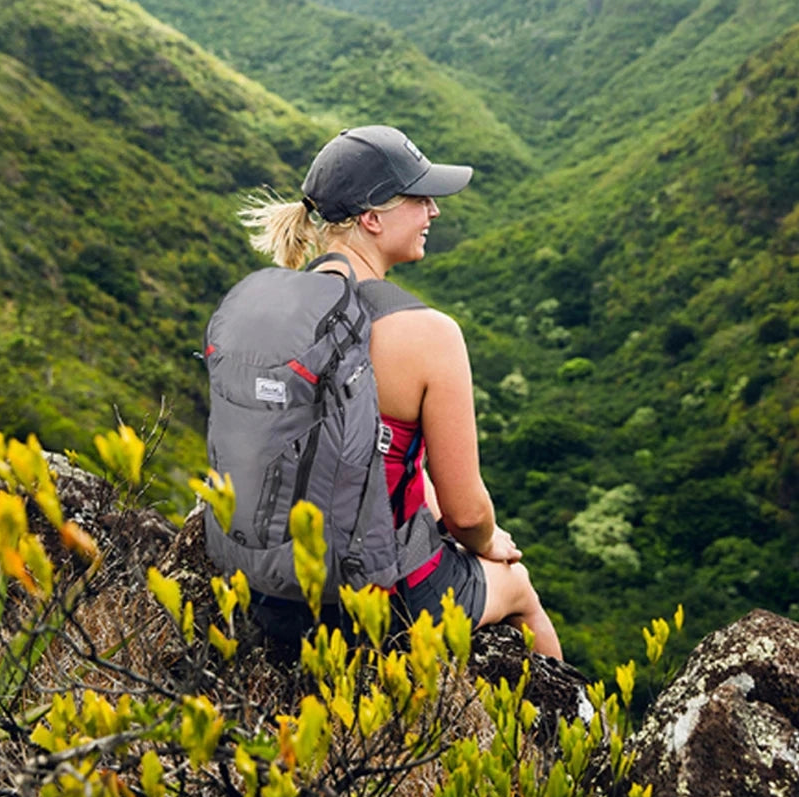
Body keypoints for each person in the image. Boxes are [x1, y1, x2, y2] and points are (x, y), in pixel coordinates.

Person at [239, 125, 563, 659]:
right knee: (520, 586)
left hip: (272, 592)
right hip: (373, 603)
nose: (433, 211)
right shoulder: (428, 335)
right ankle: (576, 739)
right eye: (419, 199)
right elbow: (466, 514)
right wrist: (488, 544)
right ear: (372, 217)